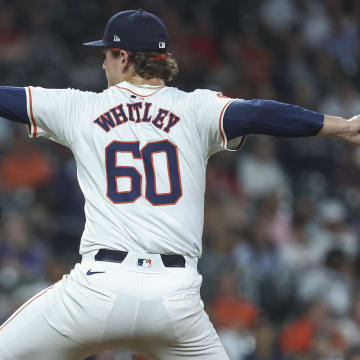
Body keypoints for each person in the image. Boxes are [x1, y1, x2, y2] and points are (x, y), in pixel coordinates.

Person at [0, 9, 360, 360]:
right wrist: (341, 126)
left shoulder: (79, 107)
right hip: (174, 300)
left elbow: (9, 98)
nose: (103, 63)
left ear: (124, 58)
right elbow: (259, 112)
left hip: (97, 290)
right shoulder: (196, 108)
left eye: (108, 54)